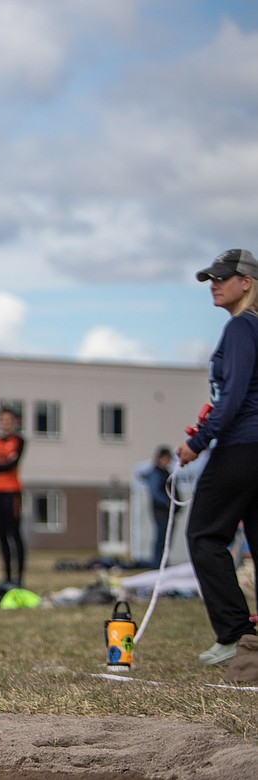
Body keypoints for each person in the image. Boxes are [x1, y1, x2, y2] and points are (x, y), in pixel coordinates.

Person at [175, 248, 258, 668]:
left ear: (247, 281)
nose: (214, 283)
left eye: (223, 277)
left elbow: (233, 398)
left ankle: (235, 633)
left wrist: (199, 440)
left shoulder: (242, 329)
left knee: (204, 536)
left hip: (241, 448)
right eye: (210, 277)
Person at [0, 408, 26, 587]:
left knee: (14, 534)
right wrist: (3, 463)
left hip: (12, 492)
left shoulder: (19, 441)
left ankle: (19, 577)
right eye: (2, 420)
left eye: (9, 420)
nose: (5, 423)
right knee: (1, 535)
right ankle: (7, 575)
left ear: (14, 422)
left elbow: (12, 465)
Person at [144, 446, 173, 569]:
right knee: (161, 538)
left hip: (168, 511)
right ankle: (157, 564)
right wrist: (168, 502)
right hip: (161, 511)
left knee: (166, 538)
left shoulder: (166, 473)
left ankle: (163, 561)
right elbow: (155, 492)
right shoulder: (156, 474)